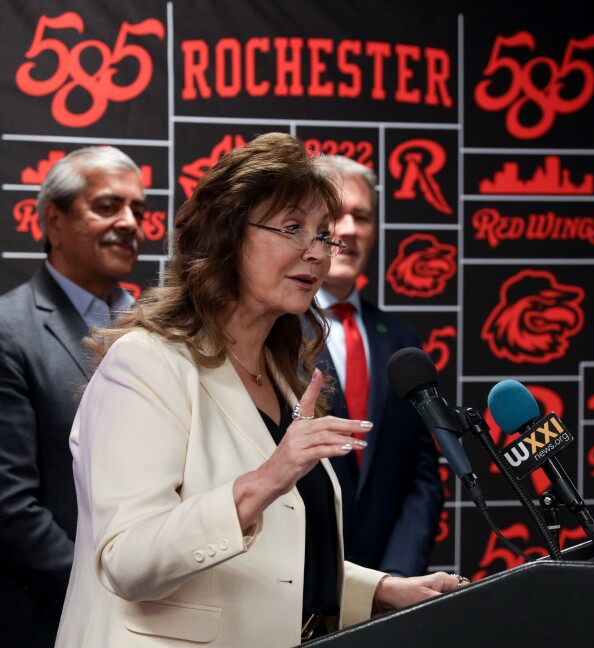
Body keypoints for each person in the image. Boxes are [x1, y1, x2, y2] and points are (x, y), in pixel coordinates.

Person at [54, 133, 463, 647]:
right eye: (292, 228)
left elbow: (276, 559)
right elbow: (127, 560)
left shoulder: (280, 374)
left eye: (323, 234)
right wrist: (268, 478)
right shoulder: (145, 362)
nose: (317, 252)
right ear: (226, 236)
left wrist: (380, 590)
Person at [0, 145, 145, 647]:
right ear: (54, 222)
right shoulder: (9, 331)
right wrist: (105, 597)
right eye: (107, 206)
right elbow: (10, 509)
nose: (130, 223)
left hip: (161, 606)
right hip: (56, 619)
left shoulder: (161, 329)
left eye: (137, 209)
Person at [317, 155, 443, 576]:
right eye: (336, 214)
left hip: (389, 589)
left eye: (362, 216)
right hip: (294, 586)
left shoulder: (402, 341)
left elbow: (422, 477)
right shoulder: (271, 333)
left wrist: (395, 580)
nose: (349, 229)